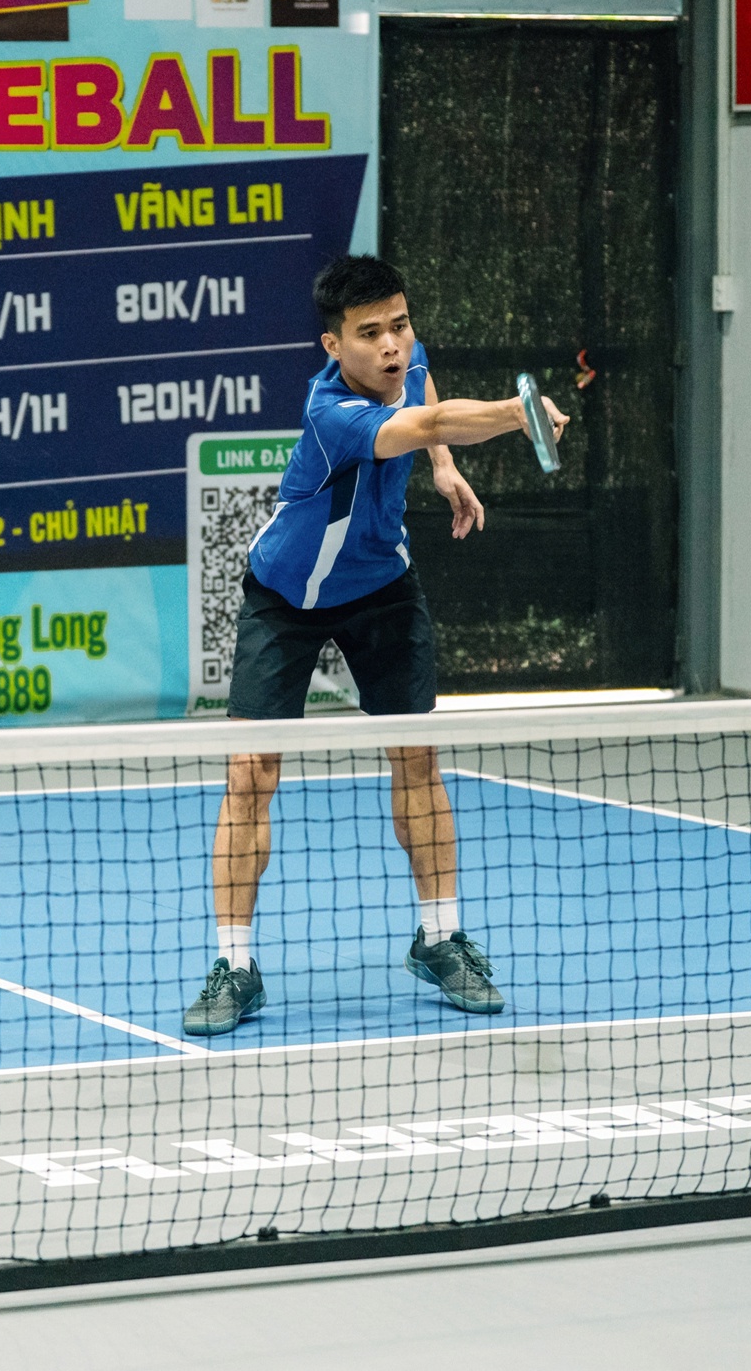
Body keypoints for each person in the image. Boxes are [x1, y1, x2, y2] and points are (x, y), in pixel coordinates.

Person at [182, 254, 569, 1038]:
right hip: (287, 598)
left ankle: (438, 938)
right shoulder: (332, 414)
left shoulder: (406, 361)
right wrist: (513, 413)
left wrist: (444, 469)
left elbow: (424, 394)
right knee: (250, 773)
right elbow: (425, 421)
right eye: (370, 333)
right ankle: (235, 964)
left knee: (417, 756)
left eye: (400, 324)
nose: (392, 344)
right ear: (334, 345)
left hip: (382, 585)